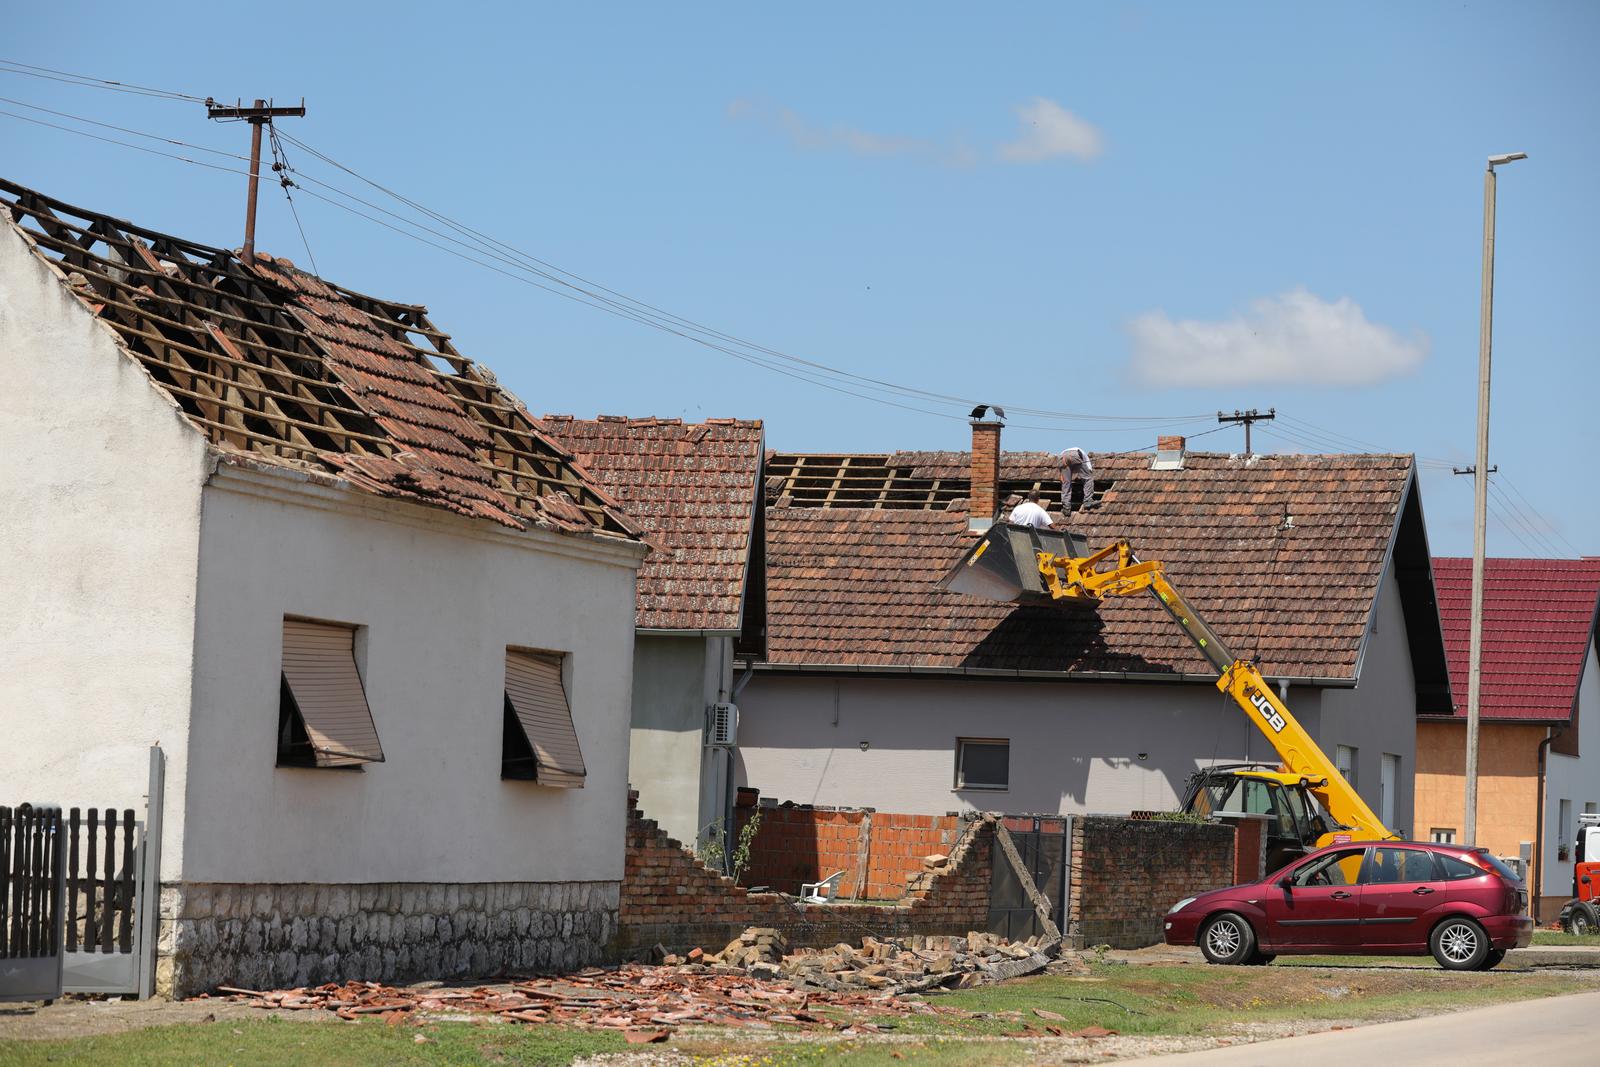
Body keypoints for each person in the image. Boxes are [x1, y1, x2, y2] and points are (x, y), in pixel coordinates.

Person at [1060, 447, 1095, 512]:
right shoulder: (1086, 458)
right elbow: (1089, 470)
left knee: (1066, 483)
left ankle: (1066, 508)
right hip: (1074, 455)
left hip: (1062, 457)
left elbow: (1062, 478)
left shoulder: (1067, 453)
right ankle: (1088, 500)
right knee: (1088, 478)